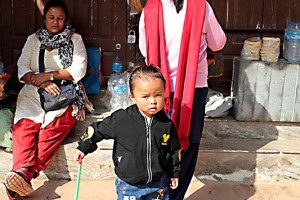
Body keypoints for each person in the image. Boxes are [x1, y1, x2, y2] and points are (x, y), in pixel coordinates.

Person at [139, 0, 226, 199]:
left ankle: (159, 194)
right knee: (188, 142)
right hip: (193, 87)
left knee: (160, 144)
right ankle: (174, 196)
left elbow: (145, 50)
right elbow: (218, 43)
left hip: (160, 89)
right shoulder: (200, 6)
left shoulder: (151, 8)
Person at [0, 0, 87, 199]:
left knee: (49, 131)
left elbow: (78, 69)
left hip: (65, 91)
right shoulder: (33, 40)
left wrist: (49, 77)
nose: (55, 22)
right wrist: (36, 80)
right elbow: (22, 67)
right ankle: (22, 176)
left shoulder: (75, 39)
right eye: (51, 18)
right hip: (33, 89)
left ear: (66, 20)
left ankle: (23, 174)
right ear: (44, 19)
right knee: (25, 126)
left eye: (60, 18)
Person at [76, 65, 181, 199]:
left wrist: (174, 173)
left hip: (157, 184)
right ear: (133, 96)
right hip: (129, 187)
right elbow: (97, 129)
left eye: (158, 95)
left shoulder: (166, 124)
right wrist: (84, 146)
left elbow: (173, 151)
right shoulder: (122, 119)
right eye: (145, 96)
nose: (153, 101)